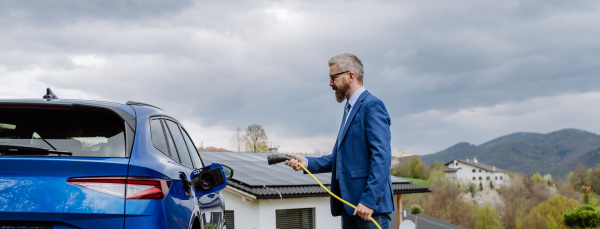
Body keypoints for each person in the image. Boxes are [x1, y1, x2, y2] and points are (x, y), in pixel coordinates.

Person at [284, 53, 394, 229]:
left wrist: (369, 200)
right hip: (349, 207)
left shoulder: (372, 105)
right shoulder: (349, 110)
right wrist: (306, 162)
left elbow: (382, 157)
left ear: (350, 76)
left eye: (333, 77)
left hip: (369, 209)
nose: (330, 83)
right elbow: (340, 157)